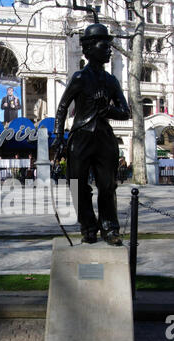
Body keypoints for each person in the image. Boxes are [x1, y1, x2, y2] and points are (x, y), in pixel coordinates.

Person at [54, 23, 130, 246]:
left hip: (104, 138)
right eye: (103, 44)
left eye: (109, 45)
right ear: (88, 49)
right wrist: (59, 138)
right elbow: (62, 108)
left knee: (107, 186)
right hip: (80, 137)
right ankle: (88, 226)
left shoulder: (111, 81)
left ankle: (109, 228)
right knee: (77, 185)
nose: (108, 49)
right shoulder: (79, 78)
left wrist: (108, 109)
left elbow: (125, 111)